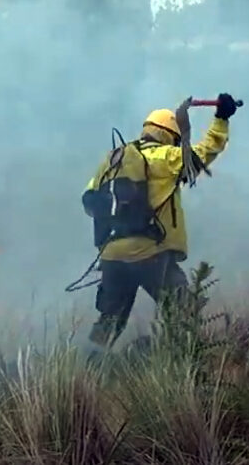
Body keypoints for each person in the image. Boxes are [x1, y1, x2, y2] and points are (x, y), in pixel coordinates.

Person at [80, 93, 239, 348]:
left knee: (109, 323)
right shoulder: (166, 158)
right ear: (170, 135)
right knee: (184, 314)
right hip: (150, 254)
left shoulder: (113, 159)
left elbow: (89, 199)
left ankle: (87, 370)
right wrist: (221, 120)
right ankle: (177, 367)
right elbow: (204, 153)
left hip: (112, 256)